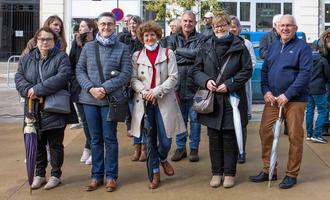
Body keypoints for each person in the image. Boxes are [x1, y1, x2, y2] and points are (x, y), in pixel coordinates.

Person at [249, 15, 313, 189]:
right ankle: (269, 169)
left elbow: (305, 75)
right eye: (282, 25)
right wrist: (266, 91)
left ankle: (291, 174)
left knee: (294, 136)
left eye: (289, 26)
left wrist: (289, 94)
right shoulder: (273, 47)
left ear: (295, 28)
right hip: (273, 99)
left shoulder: (303, 48)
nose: (285, 28)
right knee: (265, 131)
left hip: (295, 100)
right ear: (276, 28)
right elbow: (264, 72)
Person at [192, 13, 252, 188]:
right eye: (216, 26)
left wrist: (230, 84)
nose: (219, 28)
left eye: (223, 25)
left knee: (229, 137)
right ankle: (216, 172)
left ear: (229, 25)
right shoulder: (205, 45)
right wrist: (206, 81)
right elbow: (196, 70)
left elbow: (247, 70)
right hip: (212, 100)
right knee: (214, 138)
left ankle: (229, 173)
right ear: (213, 28)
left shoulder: (240, 45)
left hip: (232, 99)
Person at [76, 12, 132, 192]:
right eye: (103, 24)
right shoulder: (88, 47)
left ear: (114, 26)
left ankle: (111, 176)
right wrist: (91, 88)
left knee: (110, 139)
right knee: (94, 139)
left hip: (110, 100)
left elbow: (125, 74)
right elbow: (80, 71)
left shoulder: (122, 48)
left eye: (109, 24)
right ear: (97, 26)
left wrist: (105, 88)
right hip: (89, 100)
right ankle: (96, 176)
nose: (106, 27)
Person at [130, 20, 186, 189]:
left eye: (152, 35)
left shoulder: (168, 53)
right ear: (142, 38)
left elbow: (174, 77)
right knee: (149, 140)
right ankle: (154, 173)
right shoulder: (136, 56)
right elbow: (133, 79)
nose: (149, 38)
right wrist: (145, 92)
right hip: (144, 103)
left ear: (158, 36)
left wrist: (156, 91)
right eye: (146, 35)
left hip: (164, 101)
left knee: (166, 139)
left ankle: (162, 158)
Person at [15, 27, 72, 190]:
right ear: (36, 40)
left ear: (54, 41)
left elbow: (62, 76)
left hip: (54, 108)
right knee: (36, 142)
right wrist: (27, 90)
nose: (45, 42)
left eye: (48, 39)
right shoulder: (27, 58)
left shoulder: (61, 57)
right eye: (42, 39)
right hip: (32, 108)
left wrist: (38, 89)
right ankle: (39, 174)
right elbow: (19, 76)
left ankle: (55, 175)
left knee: (55, 144)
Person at [168, 10, 206, 162]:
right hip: (176, 85)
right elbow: (170, 56)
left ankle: (194, 149)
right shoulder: (172, 38)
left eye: (191, 21)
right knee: (180, 119)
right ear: (181, 22)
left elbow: (200, 55)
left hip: (195, 85)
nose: (188, 23)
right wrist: (189, 55)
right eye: (185, 21)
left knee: (195, 119)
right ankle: (180, 148)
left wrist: (180, 52)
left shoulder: (202, 38)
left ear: (195, 23)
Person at [69, 19, 97, 165]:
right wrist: (76, 82)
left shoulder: (97, 42)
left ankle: (93, 148)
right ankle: (89, 147)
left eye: (83, 26)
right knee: (85, 121)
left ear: (91, 28)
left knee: (94, 121)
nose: (80, 29)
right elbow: (71, 64)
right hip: (79, 88)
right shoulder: (76, 43)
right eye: (79, 26)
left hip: (95, 89)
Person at [229, 15, 257, 164]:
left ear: (239, 28)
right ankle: (230, 151)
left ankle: (241, 150)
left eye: (235, 26)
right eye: (230, 26)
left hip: (241, 86)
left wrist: (238, 78)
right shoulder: (223, 42)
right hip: (225, 87)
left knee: (242, 120)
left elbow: (252, 63)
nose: (232, 29)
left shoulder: (246, 43)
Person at [118, 15, 146, 162]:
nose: (132, 25)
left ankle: (145, 147)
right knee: (134, 118)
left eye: (135, 23)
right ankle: (137, 147)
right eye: (130, 23)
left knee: (144, 119)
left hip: (143, 82)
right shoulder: (123, 39)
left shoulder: (143, 40)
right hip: (128, 84)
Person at [305, 39, 330, 144]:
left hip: (308, 89)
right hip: (319, 89)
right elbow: (328, 76)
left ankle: (309, 134)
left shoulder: (306, 59)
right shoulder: (323, 60)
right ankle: (317, 134)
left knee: (309, 111)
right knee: (323, 111)